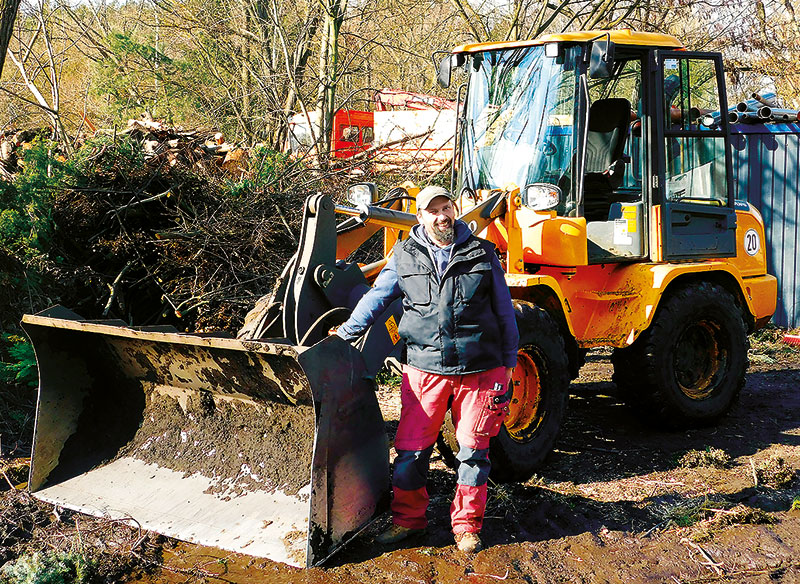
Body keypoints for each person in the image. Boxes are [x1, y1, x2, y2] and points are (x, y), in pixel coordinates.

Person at [336, 185, 519, 553]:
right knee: (410, 453)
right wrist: (344, 335)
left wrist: (509, 365)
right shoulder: (403, 256)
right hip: (425, 370)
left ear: (456, 210)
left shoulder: (482, 253)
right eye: (432, 210)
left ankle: (466, 527)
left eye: (446, 207)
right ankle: (408, 521)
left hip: (480, 370)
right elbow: (376, 299)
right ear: (419, 216)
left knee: (473, 452)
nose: (441, 216)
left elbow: (504, 310)